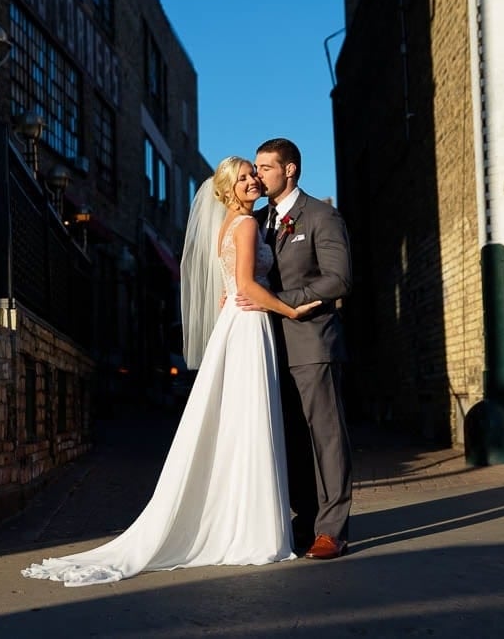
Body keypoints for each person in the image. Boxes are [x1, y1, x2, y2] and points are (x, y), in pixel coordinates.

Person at [20, 156, 321, 586]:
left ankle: (243, 521)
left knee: (239, 424)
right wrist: (291, 308)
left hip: (235, 325)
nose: (252, 180)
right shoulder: (249, 225)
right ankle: (252, 527)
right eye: (243, 178)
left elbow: (228, 287)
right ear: (227, 190)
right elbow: (250, 286)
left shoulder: (226, 227)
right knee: (250, 423)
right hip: (250, 324)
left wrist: (238, 295)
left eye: (253, 174)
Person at [241, 137, 354, 561]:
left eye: (266, 167)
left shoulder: (322, 216)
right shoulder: (261, 220)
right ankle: (305, 520)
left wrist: (287, 301)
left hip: (313, 343)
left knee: (326, 437)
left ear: (290, 170)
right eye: (256, 167)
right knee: (290, 437)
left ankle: (332, 530)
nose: (258, 175)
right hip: (271, 348)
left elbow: (339, 279)